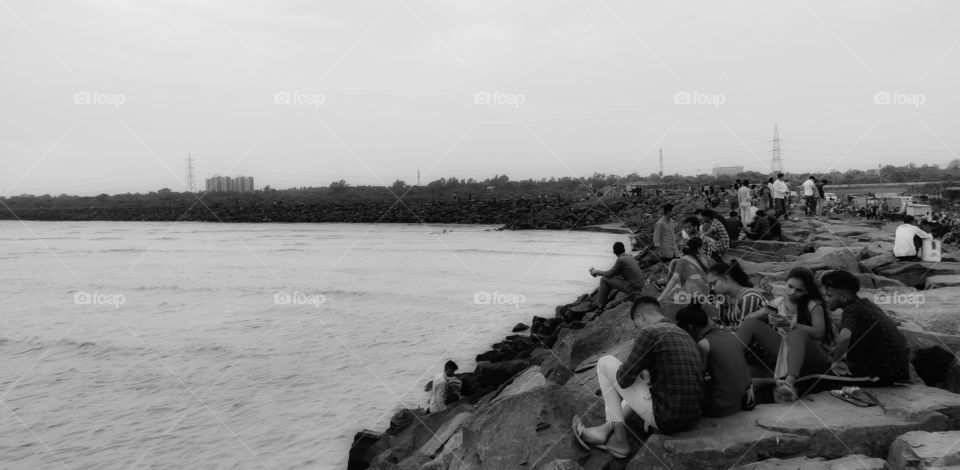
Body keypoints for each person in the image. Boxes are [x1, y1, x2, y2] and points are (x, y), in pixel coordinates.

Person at [572, 297, 704, 458]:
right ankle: (606, 429)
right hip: (692, 417)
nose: (637, 330)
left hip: (669, 420)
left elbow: (623, 380)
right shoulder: (685, 335)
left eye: (636, 326)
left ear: (641, 317)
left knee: (605, 363)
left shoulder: (650, 332)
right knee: (642, 381)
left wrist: (635, 369)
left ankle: (619, 440)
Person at [736, 267, 833, 402]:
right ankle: (727, 360)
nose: (792, 292)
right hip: (785, 352)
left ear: (806, 291)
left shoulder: (813, 305)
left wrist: (789, 324)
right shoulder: (778, 302)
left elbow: (819, 332)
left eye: (798, 290)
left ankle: (789, 384)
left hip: (811, 353)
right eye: (790, 286)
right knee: (751, 323)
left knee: (796, 334)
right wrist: (764, 314)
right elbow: (749, 319)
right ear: (785, 283)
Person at [821, 270, 911, 386]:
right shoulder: (866, 304)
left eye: (829, 296)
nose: (826, 299)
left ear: (843, 297)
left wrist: (836, 361)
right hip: (891, 370)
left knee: (815, 375)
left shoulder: (851, 310)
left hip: (880, 374)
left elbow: (844, 337)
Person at [675, 303, 754, 417]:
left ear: (690, 328)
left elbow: (697, 380)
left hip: (718, 408)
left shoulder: (703, 344)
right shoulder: (729, 334)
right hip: (741, 402)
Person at [707, 260, 766, 328]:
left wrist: (717, 326)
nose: (712, 288)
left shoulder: (749, 297)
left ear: (725, 278)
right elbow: (722, 321)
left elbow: (742, 331)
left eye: (713, 283)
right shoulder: (724, 297)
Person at [590, 242, 645, 313]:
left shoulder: (621, 260)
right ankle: (603, 301)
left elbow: (608, 274)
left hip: (634, 289)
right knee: (609, 278)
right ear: (624, 249)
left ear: (614, 252)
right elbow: (614, 273)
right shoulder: (628, 256)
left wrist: (596, 271)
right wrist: (598, 273)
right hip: (640, 286)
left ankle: (600, 307)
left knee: (604, 279)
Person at [659, 237, 711, 303]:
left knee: (667, 298)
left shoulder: (683, 260)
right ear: (698, 248)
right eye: (703, 248)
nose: (703, 250)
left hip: (691, 293)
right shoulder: (706, 259)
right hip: (706, 291)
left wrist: (661, 297)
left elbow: (674, 279)